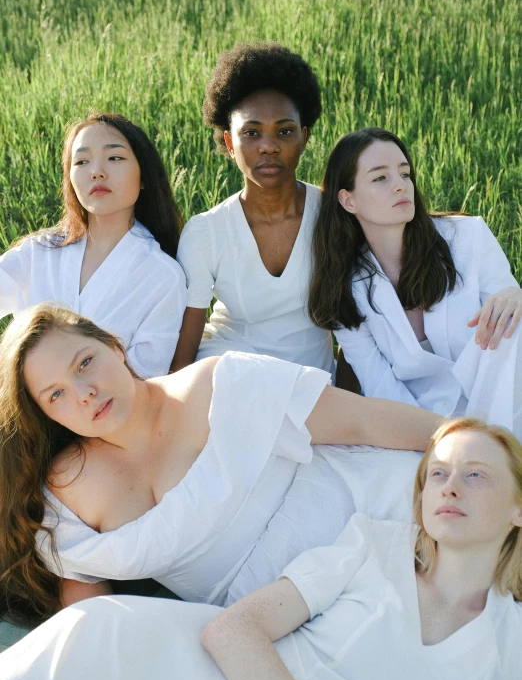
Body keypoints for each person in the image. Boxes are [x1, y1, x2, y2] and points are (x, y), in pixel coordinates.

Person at [1, 418, 521, 680]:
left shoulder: (511, 643)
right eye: (438, 473)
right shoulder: (374, 545)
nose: (450, 487)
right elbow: (230, 631)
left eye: (475, 475)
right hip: (168, 673)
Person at [0, 303, 440, 627]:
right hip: (271, 613)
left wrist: (469, 443)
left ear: (114, 347)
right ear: (46, 415)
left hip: (363, 508)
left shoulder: (217, 384)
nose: (83, 392)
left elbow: (360, 422)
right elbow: (89, 613)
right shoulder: (68, 486)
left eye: (85, 363)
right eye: (55, 394)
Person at [309, 127, 522, 435]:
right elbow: (380, 385)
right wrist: (443, 438)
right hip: (423, 427)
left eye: (404, 174)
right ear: (347, 200)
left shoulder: (468, 237)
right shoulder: (345, 289)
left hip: (505, 403)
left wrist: (516, 295)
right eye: (381, 178)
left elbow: (510, 318)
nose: (400, 186)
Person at [172, 42, 337, 376]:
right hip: (232, 372)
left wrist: (350, 403)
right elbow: (187, 341)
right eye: (251, 132)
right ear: (230, 143)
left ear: (303, 138)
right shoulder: (206, 232)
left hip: (315, 381)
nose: (269, 146)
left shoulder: (335, 215)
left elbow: (359, 328)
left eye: (285, 131)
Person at [0, 112, 187, 378]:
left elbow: (143, 380)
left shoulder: (164, 276)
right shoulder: (40, 250)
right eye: (82, 161)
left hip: (104, 414)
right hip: (21, 409)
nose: (96, 172)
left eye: (114, 158)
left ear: (144, 176)